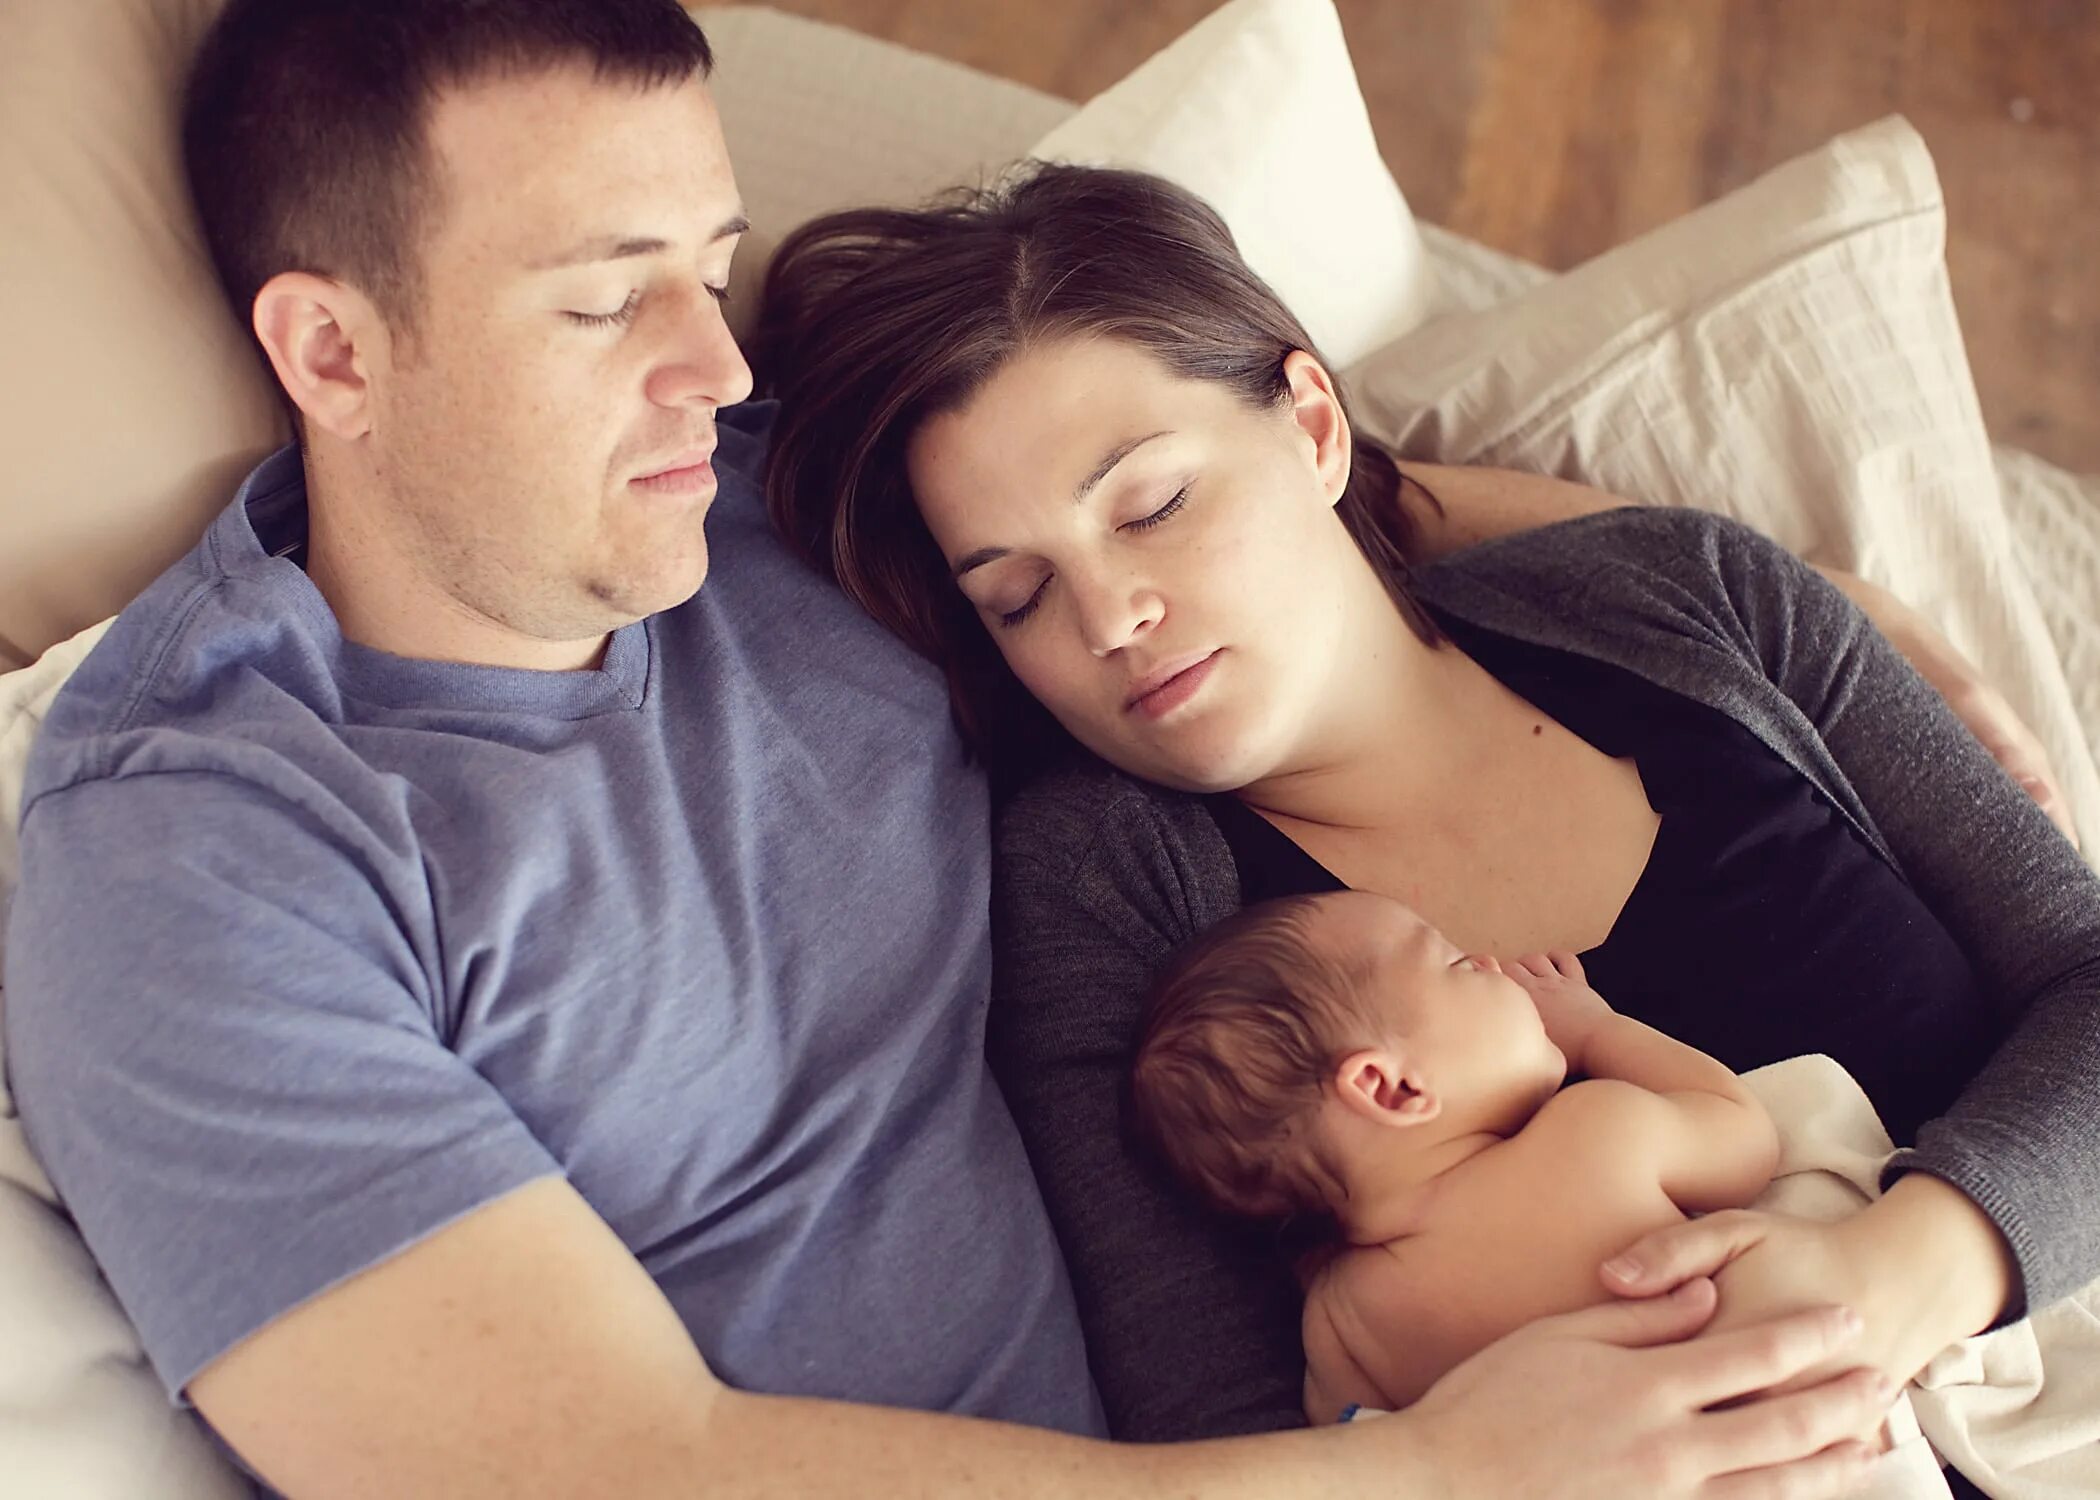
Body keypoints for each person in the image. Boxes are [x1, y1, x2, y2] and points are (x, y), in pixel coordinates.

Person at [0, 4, 1904, 1498]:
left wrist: (1792, 607)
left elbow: (1206, 472)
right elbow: (598, 1468)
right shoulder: (197, 860)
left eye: (709, 263)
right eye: (603, 301)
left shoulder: (760, 509)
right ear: (332, 356)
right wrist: (1432, 1477)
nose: (717, 363)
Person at [756, 160, 2100, 1493]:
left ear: (1313, 429)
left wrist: (1895, 1278)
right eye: (1018, 595)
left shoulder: (1685, 594)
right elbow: (1224, 1427)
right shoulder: (1107, 888)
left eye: (1151, 504)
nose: (1107, 618)